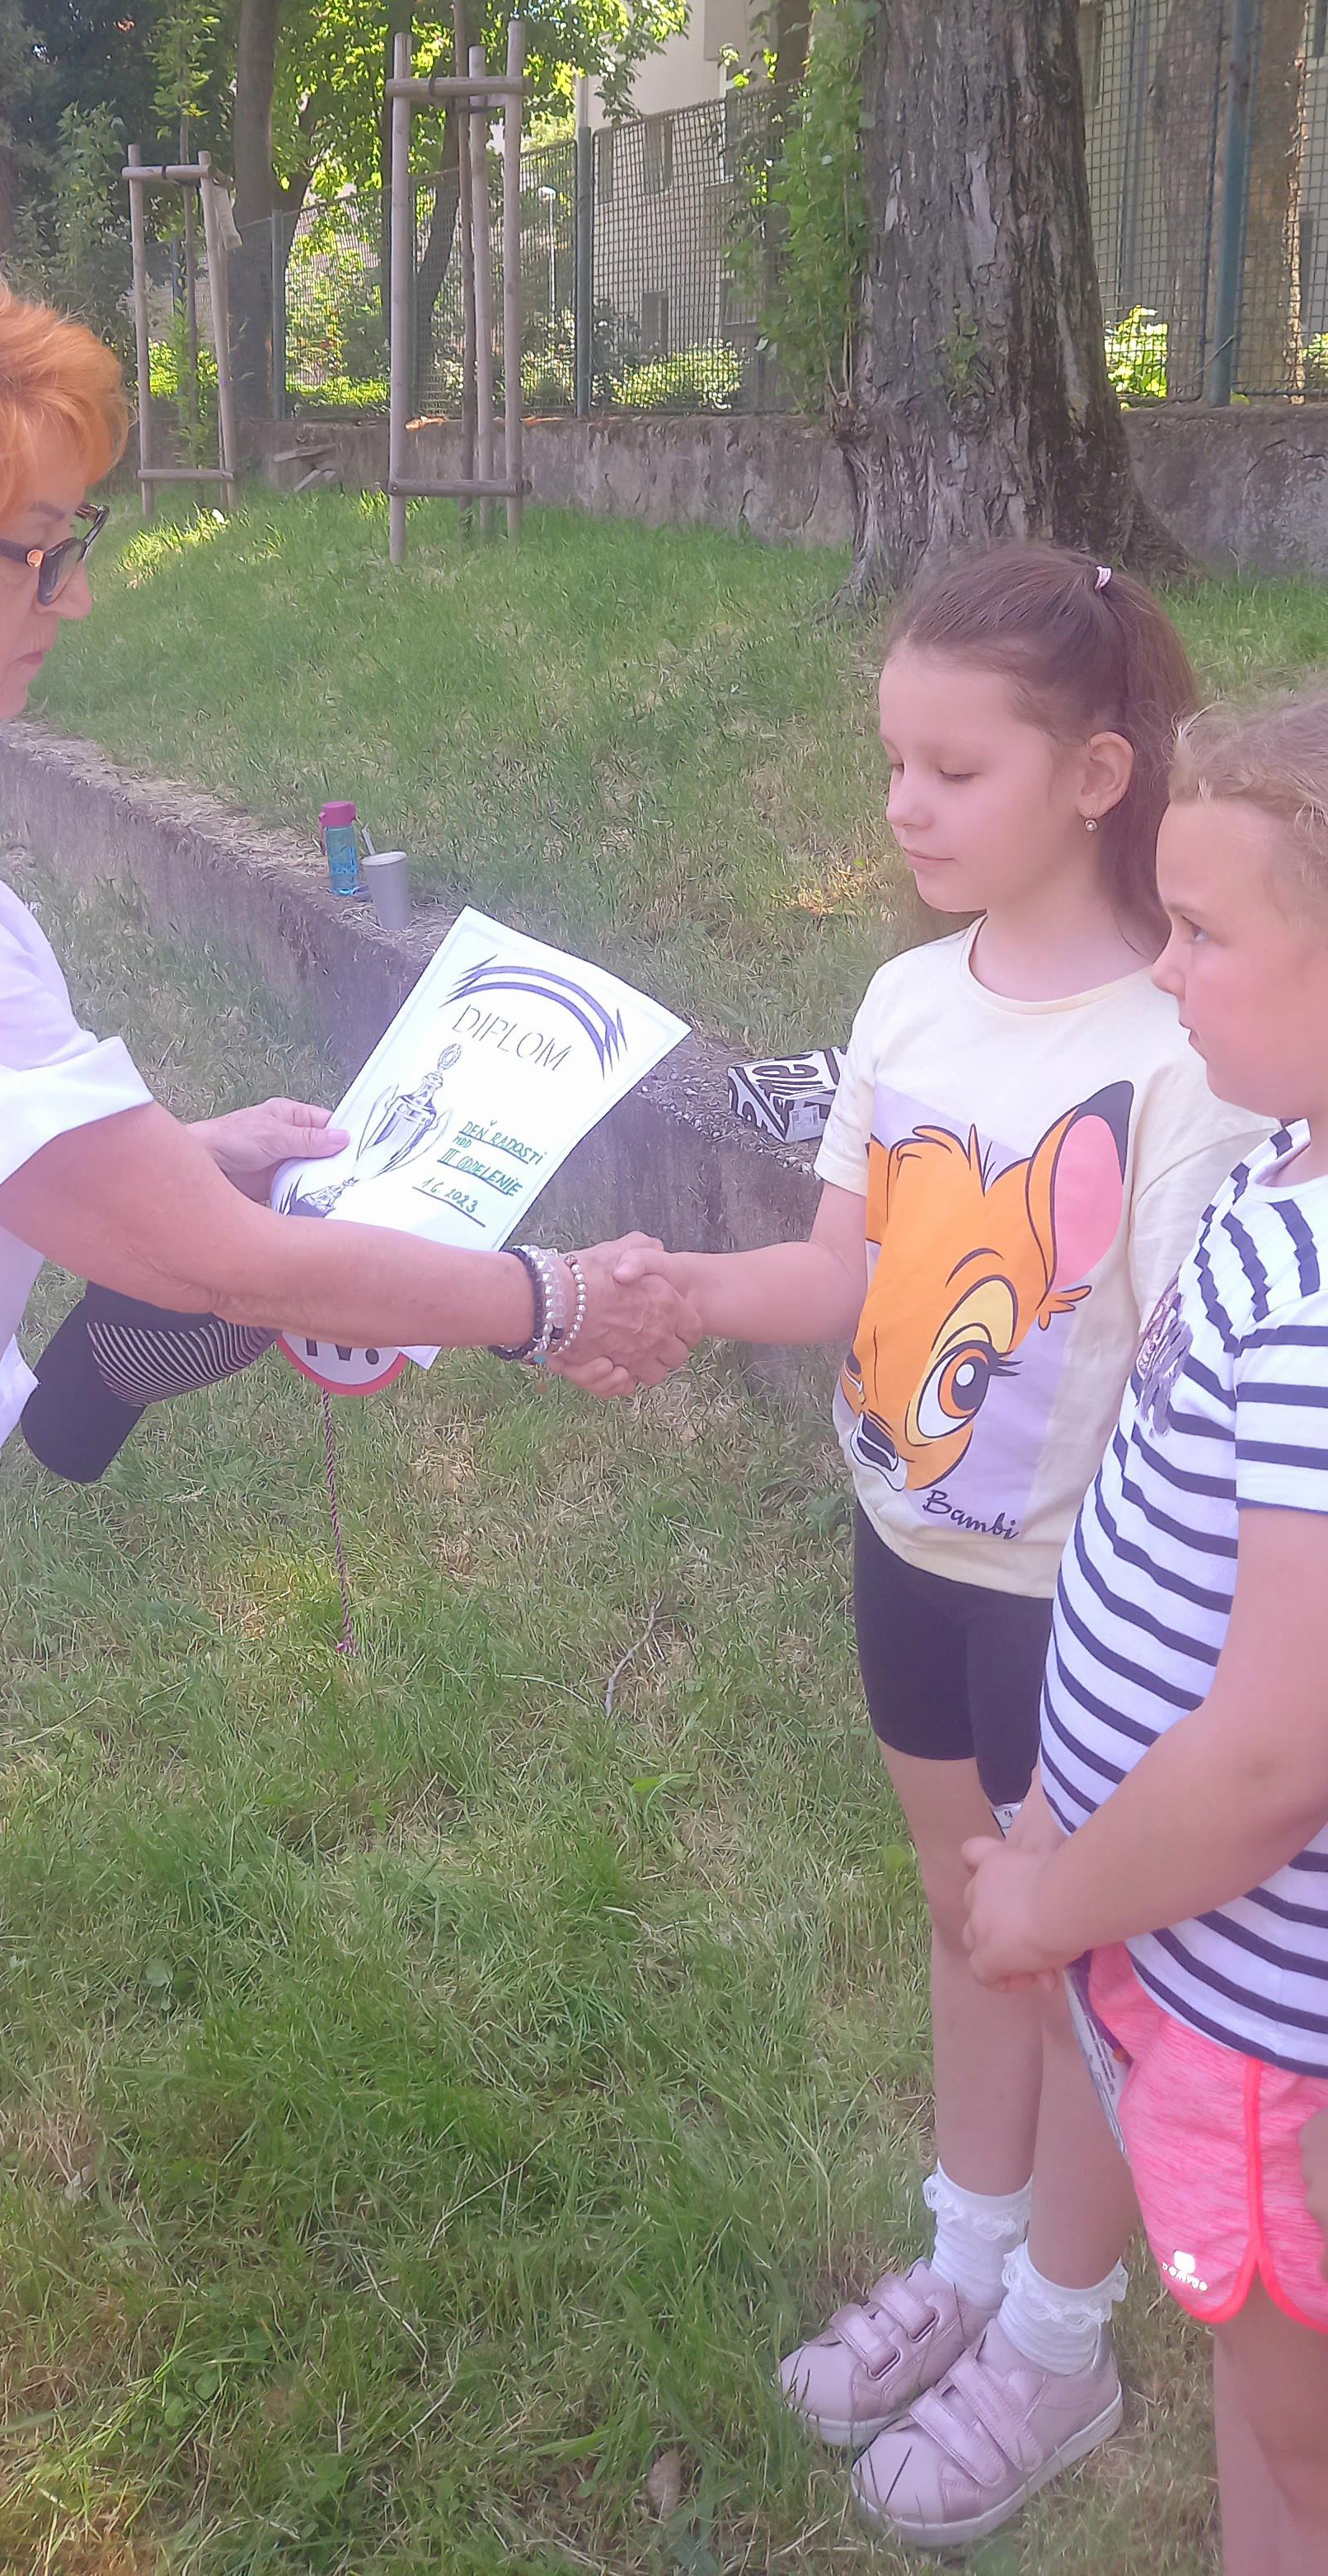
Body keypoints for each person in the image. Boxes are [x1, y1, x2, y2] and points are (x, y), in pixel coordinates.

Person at [0, 242, 698, 2576]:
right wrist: (543, 1293)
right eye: (30, 551)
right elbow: (216, 1266)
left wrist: (151, 1162)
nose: (74, 597)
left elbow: (36, 1185)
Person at [574, 547, 1267, 2547]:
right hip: (908, 1556)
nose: (904, 806)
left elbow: (1190, 1392)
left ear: (1098, 774)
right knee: (972, 1918)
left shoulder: (1182, 1052)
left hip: (1091, 1616)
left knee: (1080, 1960)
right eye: (893, 761)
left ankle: (1057, 2338)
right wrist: (679, 1291)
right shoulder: (904, 1000)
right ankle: (967, 2259)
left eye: (956, 771)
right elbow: (844, 1275)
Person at [964, 694, 1328, 2576]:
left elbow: (1273, 1757)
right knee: (1269, 2420)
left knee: (1312, 2436)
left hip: (1269, 2032)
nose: (1164, 969)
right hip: (1202, 1969)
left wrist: (1056, 1896)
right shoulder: (1290, 1163)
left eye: (1202, 933)